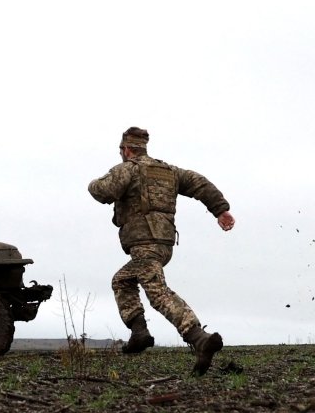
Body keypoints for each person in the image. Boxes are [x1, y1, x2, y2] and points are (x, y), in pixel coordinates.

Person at [88, 127, 236, 375]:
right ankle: (139, 333)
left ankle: (199, 337)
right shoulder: (170, 172)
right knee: (122, 281)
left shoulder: (128, 168)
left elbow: (102, 190)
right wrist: (220, 210)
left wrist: (92, 183)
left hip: (145, 244)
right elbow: (201, 184)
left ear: (126, 149)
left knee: (157, 293)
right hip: (164, 244)